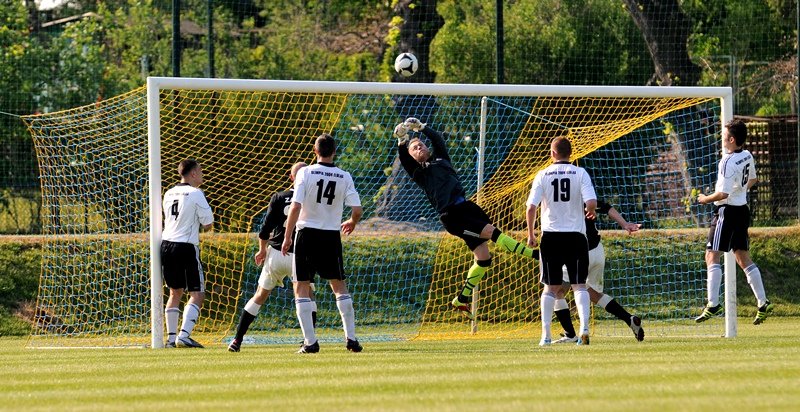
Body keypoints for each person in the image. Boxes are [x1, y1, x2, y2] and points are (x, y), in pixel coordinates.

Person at [394, 118, 538, 319]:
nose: (420, 148)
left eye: (421, 145)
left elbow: (438, 140)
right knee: (492, 232)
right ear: (412, 156)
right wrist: (402, 141)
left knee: (484, 259)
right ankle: (537, 256)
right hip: (453, 216)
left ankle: (461, 300)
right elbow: (405, 159)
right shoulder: (420, 172)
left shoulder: (441, 159)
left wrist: (421, 127)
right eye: (415, 148)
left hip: (467, 207)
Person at [282, 133, 364, 354]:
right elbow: (357, 210)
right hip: (330, 235)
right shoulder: (344, 176)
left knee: (301, 286)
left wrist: (288, 236)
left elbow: (296, 206)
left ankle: (310, 342)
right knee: (339, 286)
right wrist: (352, 221)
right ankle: (352, 339)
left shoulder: (305, 172)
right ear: (334, 151)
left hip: (306, 233)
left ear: (314, 151)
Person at [228, 162, 316, 352]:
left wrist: (261, 249)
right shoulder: (311, 197)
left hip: (276, 253)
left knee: (260, 295)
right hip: (299, 254)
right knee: (307, 294)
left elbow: (265, 229)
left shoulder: (278, 197)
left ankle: (237, 340)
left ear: (291, 178)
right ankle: (308, 340)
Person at [696, 118, 773, 325]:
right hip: (742, 211)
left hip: (727, 212)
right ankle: (763, 302)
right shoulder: (747, 155)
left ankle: (713, 304)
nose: (722, 139)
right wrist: (739, 190)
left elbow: (722, 193)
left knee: (711, 255)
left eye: (724, 136)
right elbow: (753, 180)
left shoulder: (727, 161)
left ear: (731, 139)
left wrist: (704, 199)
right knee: (742, 257)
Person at [526, 136, 597, 346]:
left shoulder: (542, 174)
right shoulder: (580, 172)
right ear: (570, 153)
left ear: (553, 153)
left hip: (551, 236)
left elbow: (531, 208)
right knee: (579, 286)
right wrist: (590, 210)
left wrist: (531, 235)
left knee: (550, 288)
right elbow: (591, 201)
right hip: (575, 236)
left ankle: (545, 336)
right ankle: (584, 329)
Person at [551, 200, 645, 343]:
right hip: (597, 251)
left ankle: (572, 334)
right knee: (591, 293)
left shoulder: (561, 199)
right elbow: (606, 207)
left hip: (578, 253)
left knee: (556, 290)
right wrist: (625, 224)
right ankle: (628, 319)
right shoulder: (583, 195)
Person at [161, 159, 214, 348]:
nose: (202, 174)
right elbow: (207, 224)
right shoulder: (196, 193)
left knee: (174, 293)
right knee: (197, 293)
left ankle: (171, 339)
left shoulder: (168, 193)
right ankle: (184, 336)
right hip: (186, 246)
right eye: (200, 170)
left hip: (167, 245)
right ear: (192, 174)